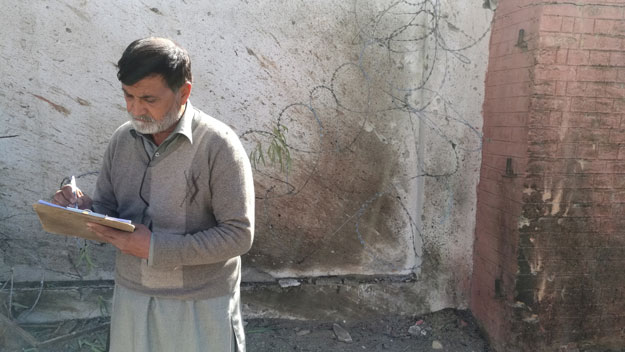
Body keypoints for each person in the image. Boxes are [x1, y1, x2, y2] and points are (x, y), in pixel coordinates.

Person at [53, 37, 254, 352]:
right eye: (128, 96)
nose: (136, 109)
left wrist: (155, 247)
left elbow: (239, 235)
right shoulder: (122, 139)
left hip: (201, 303)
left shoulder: (219, 145)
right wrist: (82, 209)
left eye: (148, 98)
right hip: (133, 296)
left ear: (184, 92)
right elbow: (109, 210)